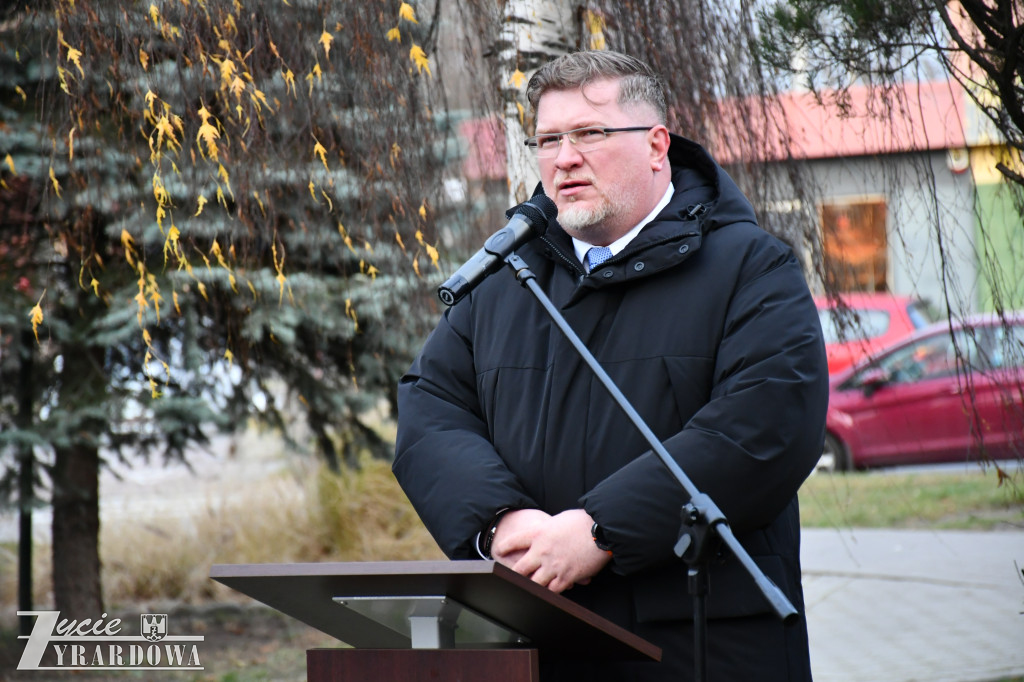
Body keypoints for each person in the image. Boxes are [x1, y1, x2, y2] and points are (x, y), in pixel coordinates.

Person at [393, 50, 828, 681]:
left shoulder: (750, 268)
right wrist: (502, 524)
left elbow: (762, 429)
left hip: (698, 646)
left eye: (590, 133)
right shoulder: (505, 279)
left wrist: (601, 531)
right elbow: (430, 411)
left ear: (656, 146)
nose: (564, 158)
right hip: (536, 636)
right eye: (547, 140)